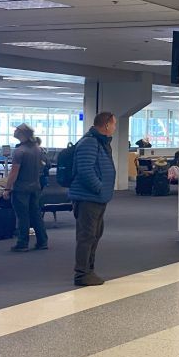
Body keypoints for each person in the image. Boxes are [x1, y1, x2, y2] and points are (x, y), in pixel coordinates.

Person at [69, 112, 117, 285]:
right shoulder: (90, 142)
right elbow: (85, 170)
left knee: (94, 234)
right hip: (88, 197)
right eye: (113, 124)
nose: (115, 127)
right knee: (86, 236)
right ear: (106, 125)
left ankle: (89, 270)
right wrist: (99, 187)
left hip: (98, 197)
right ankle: (82, 274)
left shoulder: (100, 142)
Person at [3, 123, 49, 252]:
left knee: (23, 216)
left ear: (22, 134)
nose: (14, 131)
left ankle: (22, 243)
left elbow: (14, 172)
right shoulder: (37, 149)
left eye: (16, 129)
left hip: (21, 188)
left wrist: (7, 188)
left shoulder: (19, 151)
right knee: (36, 215)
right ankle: (42, 241)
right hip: (35, 187)